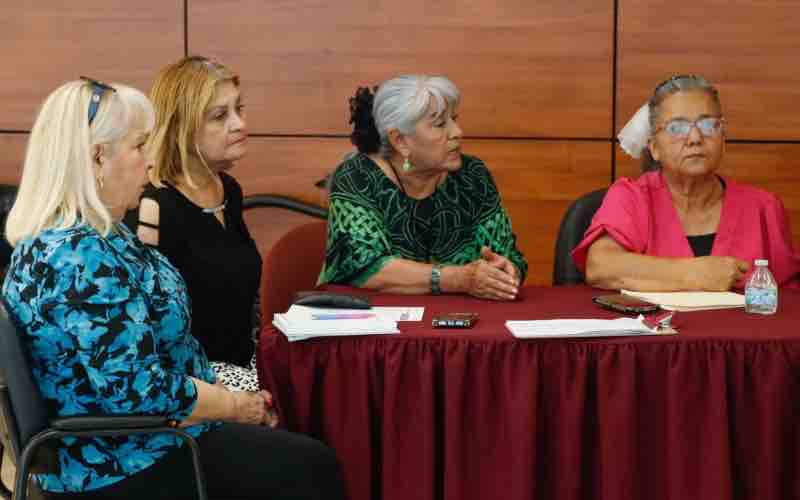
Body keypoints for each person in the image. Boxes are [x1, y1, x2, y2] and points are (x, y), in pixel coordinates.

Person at [3, 79, 344, 499]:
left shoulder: (95, 237)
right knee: (313, 467)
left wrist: (224, 397)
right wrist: (234, 405)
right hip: (123, 460)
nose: (151, 162)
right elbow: (138, 392)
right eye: (139, 146)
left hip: (143, 436)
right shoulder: (78, 257)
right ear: (97, 157)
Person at [572, 74, 800, 290]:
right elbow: (600, 266)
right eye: (676, 128)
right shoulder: (632, 197)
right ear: (654, 148)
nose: (695, 138)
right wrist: (695, 274)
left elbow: (788, 299)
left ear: (723, 140)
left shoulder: (763, 207)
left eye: (708, 125)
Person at [319, 75, 527, 299]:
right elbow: (364, 268)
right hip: (373, 315)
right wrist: (457, 279)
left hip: (460, 315)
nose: (457, 132)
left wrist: (505, 272)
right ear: (400, 140)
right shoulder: (357, 178)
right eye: (440, 124)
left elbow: (508, 256)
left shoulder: (472, 175)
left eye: (454, 119)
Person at [124, 56, 261, 392]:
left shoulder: (229, 189)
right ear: (181, 127)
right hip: (194, 378)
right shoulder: (151, 206)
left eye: (239, 109)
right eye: (220, 116)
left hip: (247, 361)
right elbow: (147, 335)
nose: (239, 124)